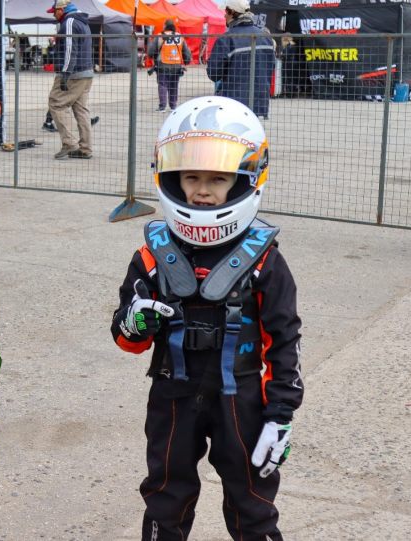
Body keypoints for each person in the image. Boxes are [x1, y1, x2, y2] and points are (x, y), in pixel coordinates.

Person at [110, 95, 303, 540]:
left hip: (242, 397)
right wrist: (134, 322)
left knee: (252, 501)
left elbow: (285, 341)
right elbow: (127, 340)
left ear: (245, 179)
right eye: (190, 177)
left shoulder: (266, 261)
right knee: (165, 496)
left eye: (217, 179)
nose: (201, 190)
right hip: (173, 393)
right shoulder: (151, 255)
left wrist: (281, 415)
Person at [207, 0, 276, 119]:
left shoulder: (226, 39)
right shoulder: (266, 37)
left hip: (234, 106)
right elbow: (271, 67)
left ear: (232, 12)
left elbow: (214, 73)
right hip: (260, 104)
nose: (224, 15)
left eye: (226, 12)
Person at [46, 0, 94, 160]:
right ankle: (85, 148)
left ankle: (69, 144)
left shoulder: (70, 22)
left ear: (62, 9)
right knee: (81, 109)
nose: (54, 15)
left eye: (55, 11)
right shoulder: (82, 21)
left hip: (74, 74)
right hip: (86, 72)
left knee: (56, 103)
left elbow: (69, 49)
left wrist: (65, 74)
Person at [147, 19, 191, 112]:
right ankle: (173, 106)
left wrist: (152, 56)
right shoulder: (179, 36)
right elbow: (186, 51)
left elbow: (151, 51)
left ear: (165, 26)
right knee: (174, 85)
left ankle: (162, 107)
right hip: (176, 65)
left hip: (163, 65)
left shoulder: (160, 36)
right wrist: (187, 61)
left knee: (162, 85)